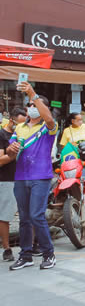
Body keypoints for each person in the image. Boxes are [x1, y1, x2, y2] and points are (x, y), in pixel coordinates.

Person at [8, 82, 58, 271]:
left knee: (37, 216)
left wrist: (32, 93)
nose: (31, 107)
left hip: (40, 177)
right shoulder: (20, 128)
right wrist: (12, 149)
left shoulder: (48, 127)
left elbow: (49, 118)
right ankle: (26, 255)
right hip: (21, 176)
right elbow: (10, 152)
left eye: (34, 105)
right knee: (24, 218)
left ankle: (48, 254)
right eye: (29, 105)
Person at [0, 107, 26, 262]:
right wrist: (13, 154)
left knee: (28, 214)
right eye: (19, 123)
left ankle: (30, 245)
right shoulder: (2, 135)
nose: (21, 127)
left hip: (25, 178)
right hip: (7, 179)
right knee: (5, 215)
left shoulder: (26, 134)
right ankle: (7, 248)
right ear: (11, 120)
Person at [59, 112, 85, 179]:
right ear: (73, 121)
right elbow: (63, 146)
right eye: (79, 120)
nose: (81, 121)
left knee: (84, 179)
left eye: (81, 119)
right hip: (73, 160)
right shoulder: (67, 130)